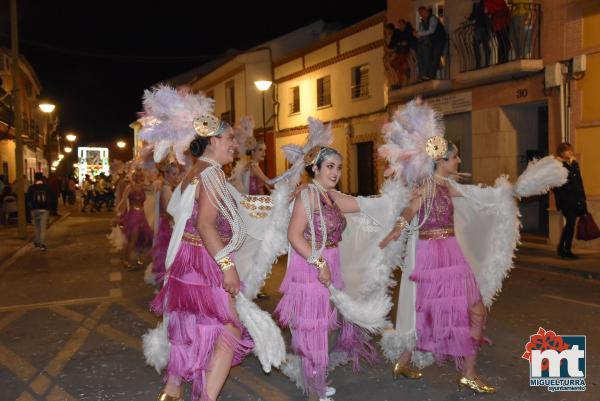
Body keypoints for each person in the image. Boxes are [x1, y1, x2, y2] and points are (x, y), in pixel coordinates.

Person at [275, 143, 377, 401]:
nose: (335, 172)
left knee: (328, 327)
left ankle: (315, 378)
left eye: (339, 168)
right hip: (310, 268)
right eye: (330, 167)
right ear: (315, 168)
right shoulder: (308, 195)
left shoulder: (331, 196)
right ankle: (314, 391)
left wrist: (398, 196)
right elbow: (294, 235)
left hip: (331, 263)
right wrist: (319, 263)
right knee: (314, 329)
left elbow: (364, 205)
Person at [553, 142, 587, 259]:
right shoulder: (558, 165)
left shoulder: (574, 163)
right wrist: (563, 198)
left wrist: (583, 197)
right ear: (562, 152)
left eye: (571, 150)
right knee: (571, 223)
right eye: (568, 151)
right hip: (566, 201)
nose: (570, 152)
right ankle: (566, 249)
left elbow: (579, 181)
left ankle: (562, 248)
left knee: (570, 225)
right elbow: (555, 185)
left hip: (576, 199)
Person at [149, 161, 180, 286]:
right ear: (166, 174)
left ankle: (165, 281)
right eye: (173, 174)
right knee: (167, 254)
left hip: (165, 223)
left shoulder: (164, 187)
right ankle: (165, 282)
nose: (176, 177)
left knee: (167, 253)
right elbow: (169, 211)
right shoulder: (166, 189)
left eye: (177, 174)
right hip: (167, 225)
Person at [117, 169, 153, 269]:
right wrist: (119, 214)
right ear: (133, 177)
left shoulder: (143, 187)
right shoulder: (129, 187)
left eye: (140, 175)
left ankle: (139, 257)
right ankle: (126, 260)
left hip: (142, 215)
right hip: (133, 215)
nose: (138, 177)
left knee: (146, 237)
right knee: (133, 239)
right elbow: (123, 201)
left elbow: (154, 189)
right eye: (136, 176)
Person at [414, 7, 447, 81]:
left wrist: (418, 33)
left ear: (426, 11)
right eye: (420, 14)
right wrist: (417, 35)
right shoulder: (423, 22)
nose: (421, 15)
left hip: (439, 40)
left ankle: (431, 75)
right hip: (432, 41)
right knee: (430, 58)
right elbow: (423, 32)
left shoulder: (432, 18)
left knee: (435, 56)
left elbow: (431, 30)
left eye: (422, 13)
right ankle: (428, 75)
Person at [26, 173, 54, 251]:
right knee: (42, 227)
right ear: (42, 179)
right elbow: (51, 198)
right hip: (45, 210)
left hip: (35, 209)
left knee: (37, 227)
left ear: (35, 179)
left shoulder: (31, 188)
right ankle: (41, 244)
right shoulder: (47, 187)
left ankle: (37, 241)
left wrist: (31, 208)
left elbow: (28, 199)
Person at [469, 0, 491, 69]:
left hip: (483, 27)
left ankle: (487, 63)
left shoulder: (484, 3)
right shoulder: (475, 5)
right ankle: (478, 64)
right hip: (478, 27)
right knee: (476, 46)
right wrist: (470, 18)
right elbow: (474, 15)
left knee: (485, 46)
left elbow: (484, 14)